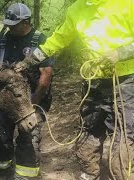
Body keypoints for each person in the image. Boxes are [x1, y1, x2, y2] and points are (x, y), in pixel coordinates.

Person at [27, 0, 134, 179]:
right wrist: (31, 60)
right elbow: (59, 38)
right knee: (88, 133)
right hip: (93, 82)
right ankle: (90, 174)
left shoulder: (127, 4)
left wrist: (120, 53)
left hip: (124, 82)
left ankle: (123, 174)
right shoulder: (76, 9)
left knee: (123, 138)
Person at [0, 3, 53, 179]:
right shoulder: (4, 39)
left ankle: (25, 175)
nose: (9, 27)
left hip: (32, 99)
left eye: (13, 24)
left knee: (28, 137)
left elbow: (46, 74)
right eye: (7, 24)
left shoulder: (39, 40)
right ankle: (2, 170)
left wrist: (34, 102)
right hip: (6, 99)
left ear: (25, 22)